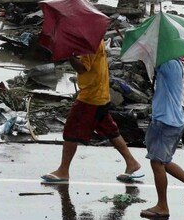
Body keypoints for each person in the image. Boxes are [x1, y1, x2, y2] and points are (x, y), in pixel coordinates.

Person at [41, 40, 141, 183]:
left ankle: (63, 170)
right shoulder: (94, 40)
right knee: (109, 129)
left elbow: (82, 68)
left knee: (71, 131)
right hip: (99, 93)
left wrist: (69, 55)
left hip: (91, 97)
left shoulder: (90, 44)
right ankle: (131, 162)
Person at [140, 59, 184, 219]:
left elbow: (154, 66)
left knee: (156, 162)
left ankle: (162, 206)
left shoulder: (168, 63)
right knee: (163, 161)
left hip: (166, 121)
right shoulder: (174, 62)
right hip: (168, 119)